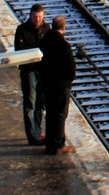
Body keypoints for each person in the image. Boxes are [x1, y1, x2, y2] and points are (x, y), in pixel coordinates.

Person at [39, 15, 79, 154]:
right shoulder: (64, 45)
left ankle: (51, 142)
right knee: (60, 115)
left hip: (46, 83)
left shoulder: (45, 40)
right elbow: (71, 69)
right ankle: (57, 145)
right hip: (60, 86)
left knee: (50, 113)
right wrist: (68, 82)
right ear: (63, 27)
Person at [13, 3, 48, 146]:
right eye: (35, 17)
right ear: (30, 16)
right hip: (29, 71)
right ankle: (32, 135)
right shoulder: (22, 30)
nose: (37, 20)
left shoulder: (46, 28)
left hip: (42, 70)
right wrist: (37, 53)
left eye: (40, 17)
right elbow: (20, 50)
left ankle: (38, 131)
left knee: (41, 104)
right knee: (30, 104)